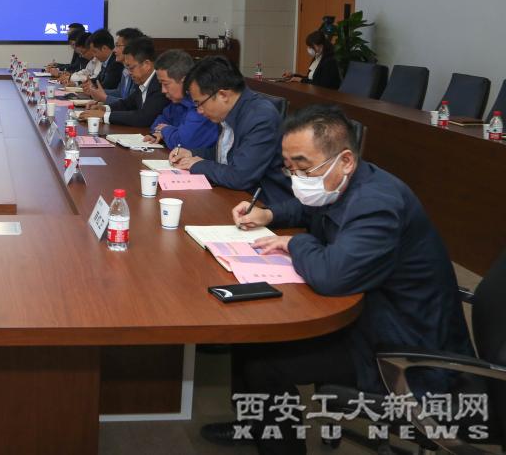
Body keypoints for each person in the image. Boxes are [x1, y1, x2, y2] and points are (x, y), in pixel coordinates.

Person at [201, 105, 474, 455]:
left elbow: (332, 275)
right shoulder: (344, 181)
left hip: (405, 348)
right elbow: (308, 208)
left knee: (264, 363)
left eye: (303, 167)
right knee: (250, 334)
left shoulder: (378, 204)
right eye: (289, 168)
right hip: (371, 316)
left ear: (345, 160)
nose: (297, 177)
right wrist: (268, 213)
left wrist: (296, 244)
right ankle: (254, 425)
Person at [169, 56, 289, 202]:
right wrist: (192, 153)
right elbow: (226, 154)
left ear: (223, 95)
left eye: (199, 103)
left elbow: (240, 176)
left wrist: (198, 165)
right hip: (234, 195)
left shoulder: (261, 117)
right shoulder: (230, 110)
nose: (199, 111)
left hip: (261, 203)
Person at [79, 37, 166, 127]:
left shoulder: (160, 84)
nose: (129, 72)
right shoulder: (142, 83)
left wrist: (104, 115)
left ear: (146, 65)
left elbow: (144, 117)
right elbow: (126, 104)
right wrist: (104, 108)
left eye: (131, 68)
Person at [143, 50, 219, 152]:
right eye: (160, 84)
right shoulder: (177, 102)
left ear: (184, 81)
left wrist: (166, 130)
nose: (163, 90)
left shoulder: (201, 104)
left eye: (166, 84)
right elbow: (157, 124)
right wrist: (167, 132)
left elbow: (183, 143)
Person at [84, 27, 144, 105]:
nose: (114, 50)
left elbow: (131, 104)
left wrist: (104, 98)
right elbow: (120, 92)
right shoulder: (125, 69)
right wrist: (96, 92)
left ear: (130, 47)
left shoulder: (138, 72)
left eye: (118, 46)